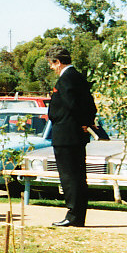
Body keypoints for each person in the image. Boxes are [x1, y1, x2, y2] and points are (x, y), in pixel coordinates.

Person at [46, 45, 97, 228]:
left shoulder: (66, 79)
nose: (51, 68)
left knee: (69, 176)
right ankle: (77, 216)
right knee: (77, 176)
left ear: (57, 62)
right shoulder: (78, 77)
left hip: (66, 135)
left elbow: (72, 105)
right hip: (75, 135)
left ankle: (73, 215)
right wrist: (86, 122)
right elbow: (90, 105)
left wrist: (59, 118)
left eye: (51, 64)